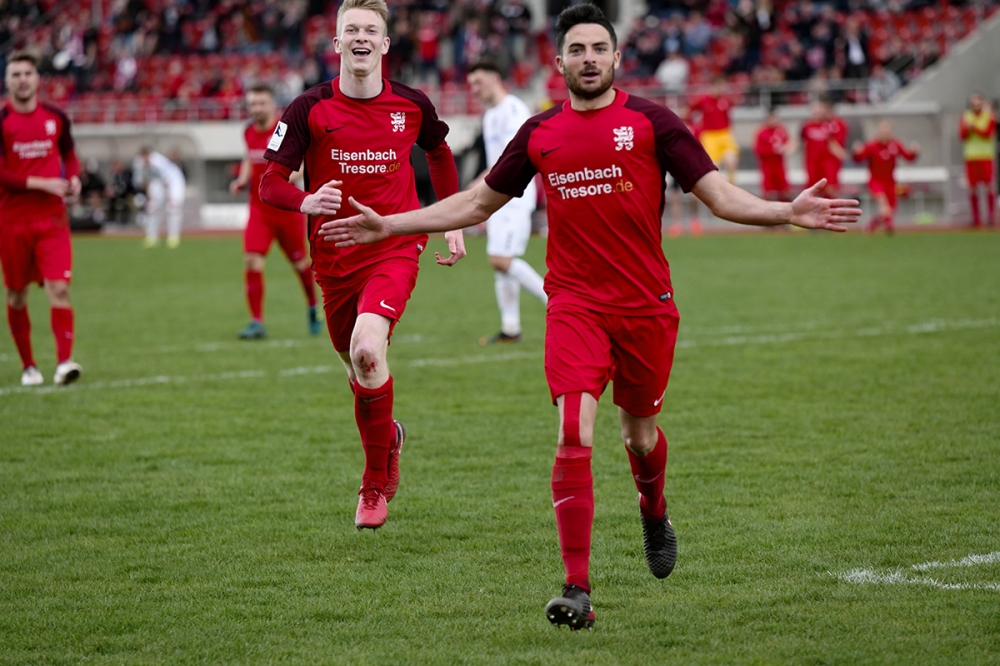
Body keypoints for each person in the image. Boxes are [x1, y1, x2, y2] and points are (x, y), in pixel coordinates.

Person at [320, 4, 861, 630]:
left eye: (598, 48)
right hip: (574, 305)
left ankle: (653, 508)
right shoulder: (540, 133)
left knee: (639, 437)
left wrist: (785, 211)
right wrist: (392, 224)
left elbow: (718, 196)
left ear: (617, 57)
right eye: (576, 50)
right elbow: (476, 202)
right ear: (559, 62)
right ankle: (576, 587)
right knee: (573, 431)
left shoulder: (653, 122)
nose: (589, 59)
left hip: (646, 306)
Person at [257, 0, 466, 531]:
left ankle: (373, 487)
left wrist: (451, 219)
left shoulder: (412, 104)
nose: (361, 37)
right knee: (356, 370)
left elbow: (439, 153)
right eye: (351, 29)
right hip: (333, 257)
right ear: (337, 43)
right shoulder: (308, 108)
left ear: (385, 44)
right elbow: (270, 183)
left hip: (394, 244)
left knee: (369, 351)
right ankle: (388, 437)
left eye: (371, 30)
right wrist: (305, 200)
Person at [0, 51, 83, 387]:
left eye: (27, 73)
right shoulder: (2, 121)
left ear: (37, 79)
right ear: (7, 81)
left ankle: (64, 363)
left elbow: (70, 156)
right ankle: (29, 366)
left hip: (52, 219)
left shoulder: (56, 117)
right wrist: (42, 183)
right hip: (12, 222)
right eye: (16, 74)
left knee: (59, 288)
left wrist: (73, 178)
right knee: (16, 295)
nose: (22, 80)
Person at [465, 60, 547, 345]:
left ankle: (555, 302)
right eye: (471, 84)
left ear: (495, 79)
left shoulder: (513, 109)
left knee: (501, 259)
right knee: (499, 260)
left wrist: (476, 185)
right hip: (498, 195)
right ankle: (510, 328)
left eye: (479, 82)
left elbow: (509, 159)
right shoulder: (490, 115)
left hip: (515, 195)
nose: (475, 89)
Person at [229, 84, 320, 340]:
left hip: (286, 211)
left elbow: (305, 164)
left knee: (300, 264)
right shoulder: (248, 131)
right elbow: (249, 158)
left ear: (272, 105)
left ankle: (312, 306)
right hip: (259, 211)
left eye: (261, 103)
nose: (256, 108)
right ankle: (256, 321)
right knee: (252, 260)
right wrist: (242, 179)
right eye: (252, 104)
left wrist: (282, 180)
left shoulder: (285, 130)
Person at [852, 120, 919, 234]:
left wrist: (914, 152)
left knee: (890, 210)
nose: (884, 135)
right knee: (883, 203)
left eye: (887, 132)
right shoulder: (872, 145)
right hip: (875, 182)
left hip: (890, 182)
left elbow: (908, 157)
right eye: (882, 132)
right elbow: (859, 158)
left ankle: (872, 224)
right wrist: (856, 152)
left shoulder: (895, 145)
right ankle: (889, 226)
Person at [132, 146, 187, 248]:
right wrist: (148, 195)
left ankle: (173, 238)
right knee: (151, 208)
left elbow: (167, 180)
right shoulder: (138, 163)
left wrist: (169, 196)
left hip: (173, 182)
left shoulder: (158, 161)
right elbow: (143, 181)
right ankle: (152, 238)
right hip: (156, 183)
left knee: (173, 208)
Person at [689, 77, 739, 184]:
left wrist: (728, 129)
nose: (721, 89)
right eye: (719, 86)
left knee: (732, 161)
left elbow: (727, 117)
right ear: (712, 86)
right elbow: (690, 112)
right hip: (710, 136)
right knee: (715, 166)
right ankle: (716, 188)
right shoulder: (703, 100)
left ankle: (732, 186)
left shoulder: (725, 100)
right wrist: (695, 127)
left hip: (724, 133)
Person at [959, 92, 997, 228]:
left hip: (985, 156)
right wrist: (968, 129)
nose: (975, 105)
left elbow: (987, 133)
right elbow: (962, 135)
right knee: (972, 188)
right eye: (973, 102)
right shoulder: (966, 116)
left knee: (989, 185)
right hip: (971, 157)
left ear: (982, 102)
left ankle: (991, 217)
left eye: (978, 102)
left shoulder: (989, 116)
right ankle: (976, 219)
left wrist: (973, 127)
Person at [800, 97, 846, 198]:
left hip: (828, 162)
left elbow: (835, 143)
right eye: (815, 109)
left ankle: (833, 207)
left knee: (830, 189)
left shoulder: (831, 125)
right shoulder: (807, 125)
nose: (818, 111)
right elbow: (800, 140)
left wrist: (840, 152)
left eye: (820, 108)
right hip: (812, 162)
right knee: (813, 188)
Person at [753, 106, 794, 201]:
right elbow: (758, 150)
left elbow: (789, 143)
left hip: (780, 165)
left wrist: (787, 148)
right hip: (767, 165)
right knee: (768, 192)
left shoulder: (781, 130)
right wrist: (773, 150)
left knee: (785, 190)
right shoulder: (761, 132)